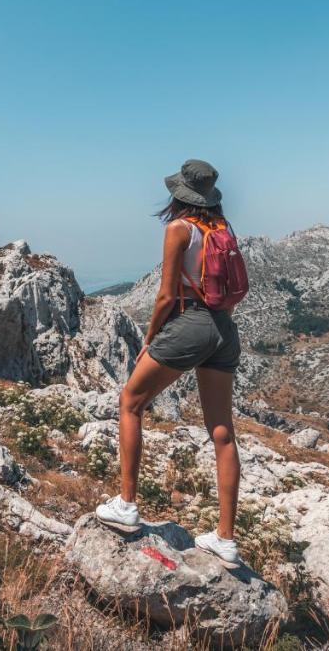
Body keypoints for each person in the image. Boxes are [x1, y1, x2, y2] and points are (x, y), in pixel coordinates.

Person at [95, 159, 244, 568]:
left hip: (191, 324)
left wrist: (148, 340)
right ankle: (225, 540)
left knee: (130, 402)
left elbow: (164, 296)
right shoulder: (223, 228)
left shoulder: (179, 229)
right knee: (222, 433)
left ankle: (126, 506)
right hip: (224, 330)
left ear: (179, 195)